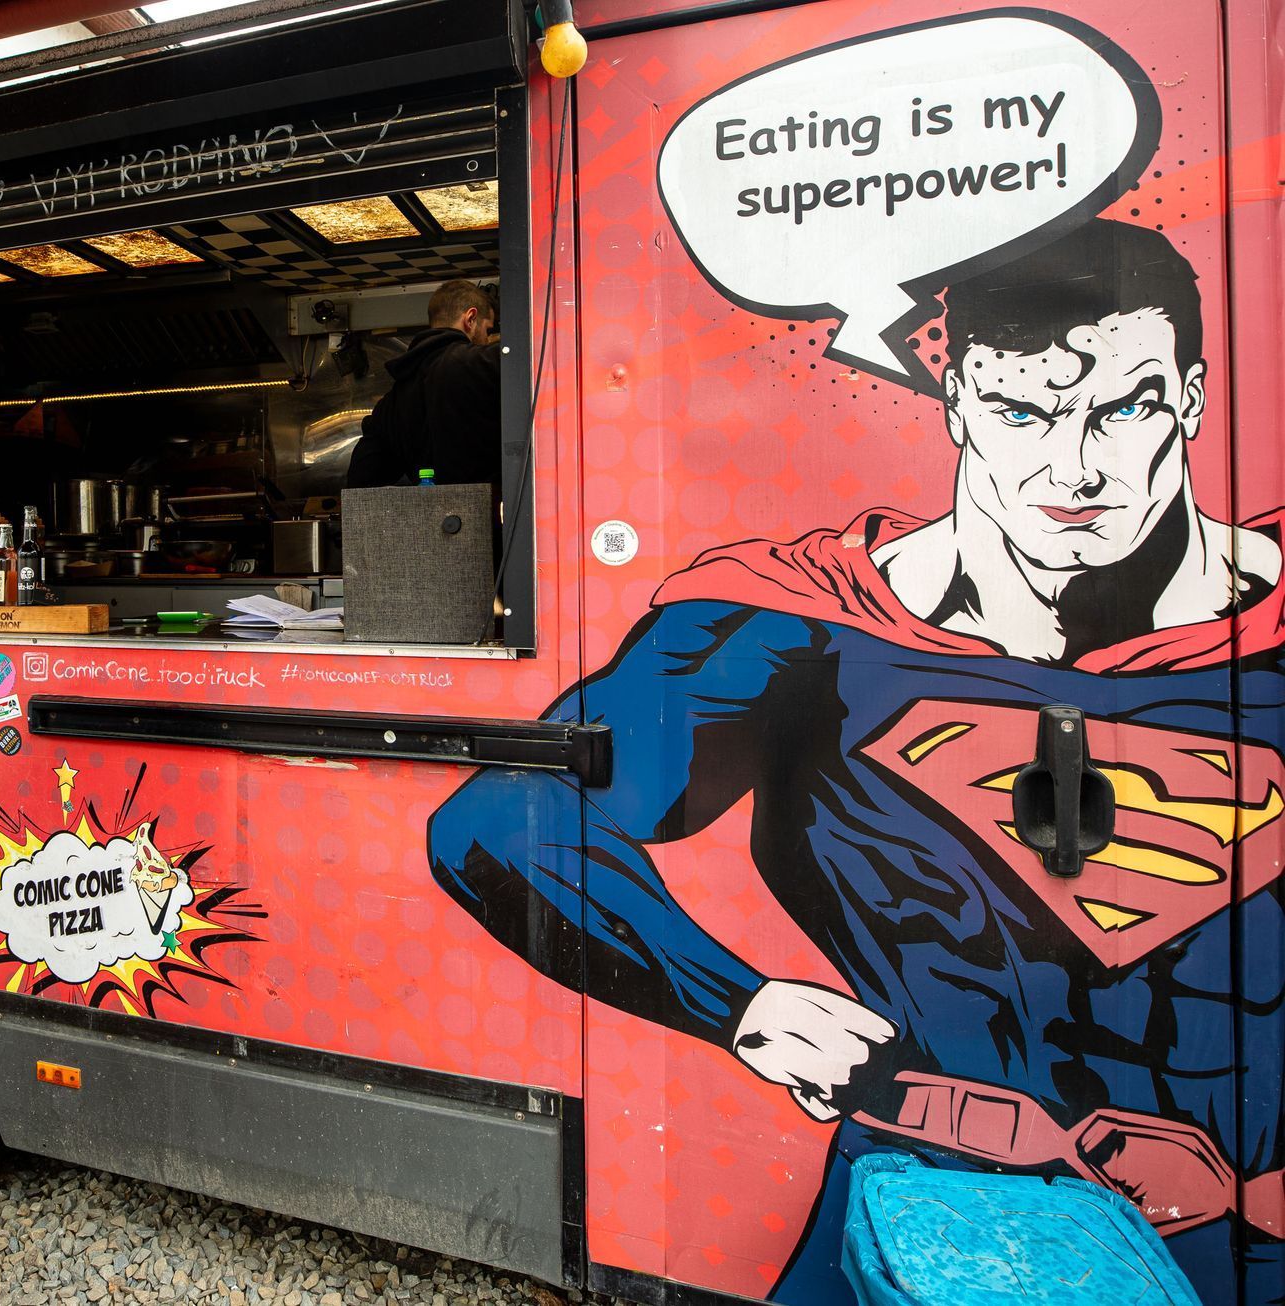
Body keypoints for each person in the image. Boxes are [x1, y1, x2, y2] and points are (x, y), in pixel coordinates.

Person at [427, 219, 1284, 1303]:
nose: (1074, 467)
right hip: (931, 1209)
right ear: (959, 406)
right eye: (1022, 412)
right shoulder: (804, 623)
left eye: (1123, 409)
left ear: (1191, 401)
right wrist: (737, 1004)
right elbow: (506, 818)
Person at [345, 279, 501, 488]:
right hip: (498, 515)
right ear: (470, 319)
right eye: (488, 330)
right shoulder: (486, 362)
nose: (487, 339)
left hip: (430, 515)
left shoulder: (392, 402)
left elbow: (361, 480)